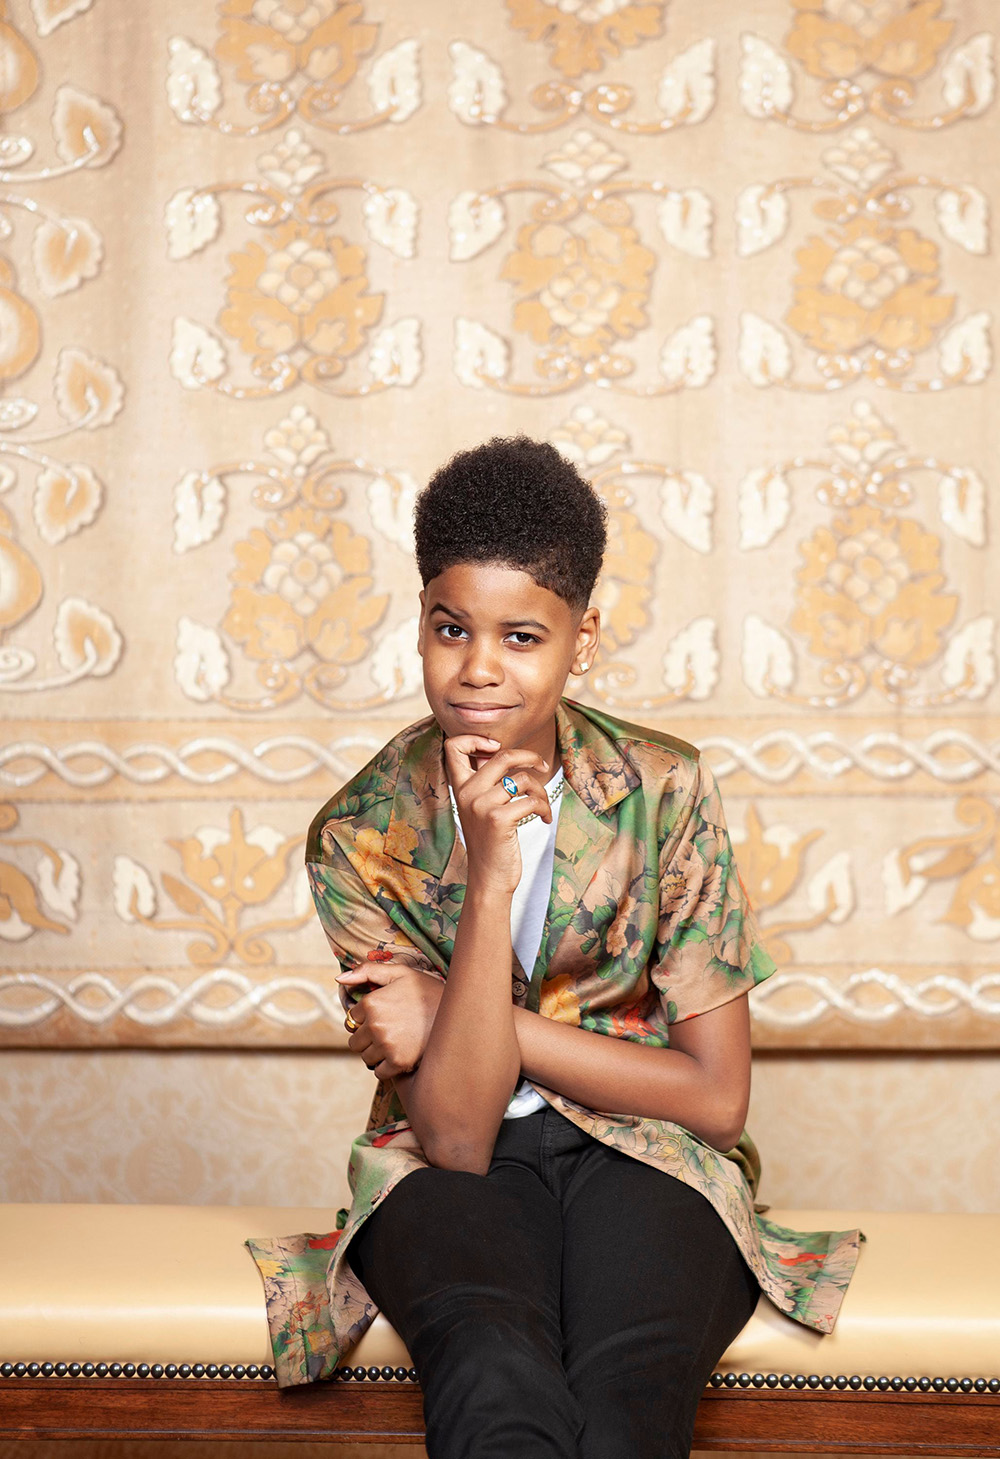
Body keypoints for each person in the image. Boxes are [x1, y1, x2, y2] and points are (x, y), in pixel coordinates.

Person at [246, 436, 863, 1458]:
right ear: (420, 624)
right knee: (494, 1374)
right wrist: (489, 876)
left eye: (522, 635)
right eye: (450, 628)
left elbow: (713, 1097)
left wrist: (452, 1016)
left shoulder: (664, 791)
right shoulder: (358, 833)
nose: (479, 667)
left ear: (581, 639)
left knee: (625, 1393)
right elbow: (454, 1134)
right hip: (445, 1171)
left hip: (652, 1153)